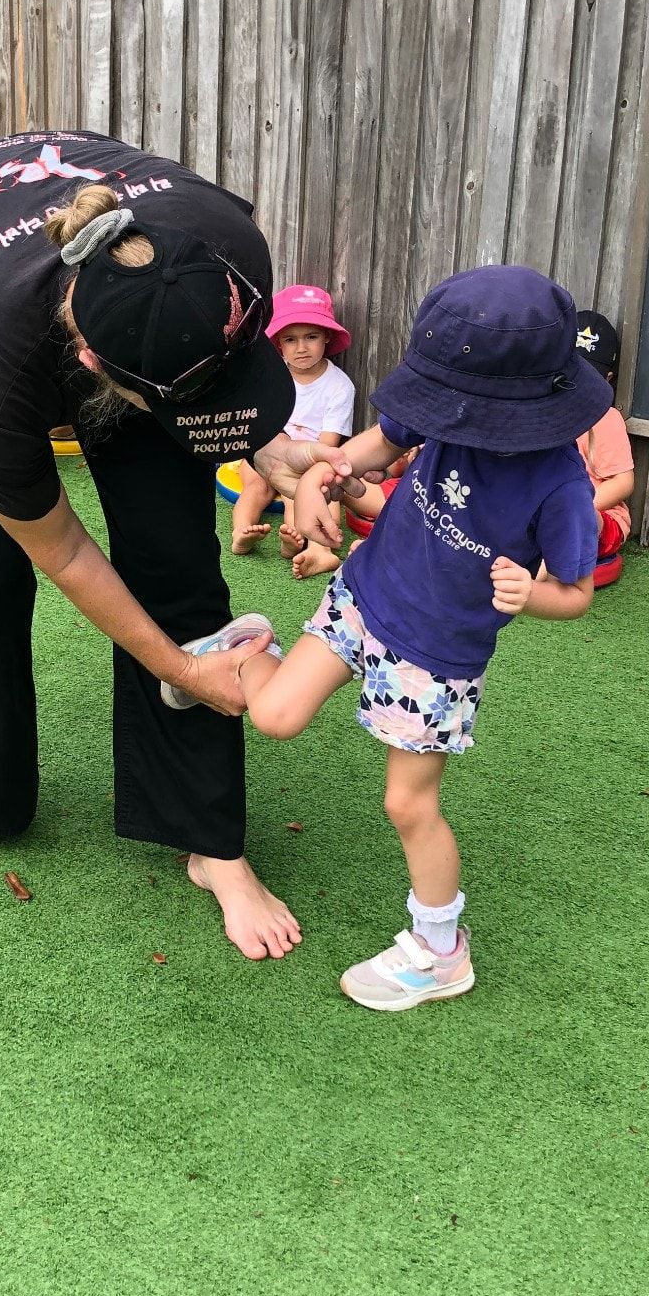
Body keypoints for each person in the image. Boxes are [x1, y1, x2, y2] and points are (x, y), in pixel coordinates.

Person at [0, 131, 340, 961]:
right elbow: (64, 553)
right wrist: (185, 671)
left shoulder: (226, 241)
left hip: (114, 305)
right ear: (93, 363)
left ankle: (212, 844)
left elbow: (212, 387)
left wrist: (275, 451)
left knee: (181, 570)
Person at [217, 265, 611, 1010]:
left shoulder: (562, 488)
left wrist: (534, 596)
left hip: (436, 659)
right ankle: (247, 650)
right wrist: (312, 484)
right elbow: (362, 450)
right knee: (274, 716)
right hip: (367, 596)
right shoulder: (443, 409)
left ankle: (440, 950)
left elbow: (578, 593)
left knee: (409, 806)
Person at [229, 285, 355, 556]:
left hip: (308, 460)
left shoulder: (339, 386)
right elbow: (257, 423)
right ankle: (241, 533)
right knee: (255, 486)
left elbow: (328, 443)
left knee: (301, 493)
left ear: (327, 337)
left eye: (311, 336)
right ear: (278, 344)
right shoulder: (271, 377)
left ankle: (300, 544)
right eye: (290, 339)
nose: (301, 348)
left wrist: (308, 470)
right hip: (266, 451)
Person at [572, 311, 635, 564]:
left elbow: (623, 483)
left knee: (573, 528)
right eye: (571, 371)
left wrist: (577, 509)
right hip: (546, 512)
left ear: (608, 379)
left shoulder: (604, 418)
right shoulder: (537, 413)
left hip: (600, 518)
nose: (577, 383)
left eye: (588, 377)